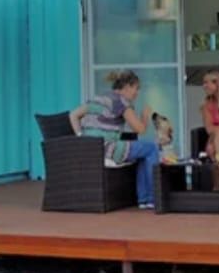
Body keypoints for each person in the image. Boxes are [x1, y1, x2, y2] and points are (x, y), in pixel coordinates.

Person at [68, 70, 159, 209]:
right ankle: (151, 198)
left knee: (142, 152)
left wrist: (81, 138)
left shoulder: (99, 98)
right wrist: (145, 116)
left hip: (91, 149)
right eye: (136, 88)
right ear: (127, 87)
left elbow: (73, 115)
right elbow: (140, 129)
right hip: (108, 149)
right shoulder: (121, 102)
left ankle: (145, 200)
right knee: (152, 148)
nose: (137, 93)